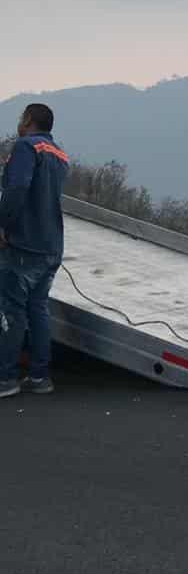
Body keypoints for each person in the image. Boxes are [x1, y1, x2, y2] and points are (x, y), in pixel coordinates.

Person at [0, 103, 68, 398]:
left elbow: (17, 189)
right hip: (51, 247)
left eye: (21, 118)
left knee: (11, 311)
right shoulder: (60, 156)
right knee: (38, 310)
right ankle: (40, 377)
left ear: (28, 120)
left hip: (24, 245)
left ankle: (6, 379)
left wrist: (2, 224)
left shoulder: (26, 147)